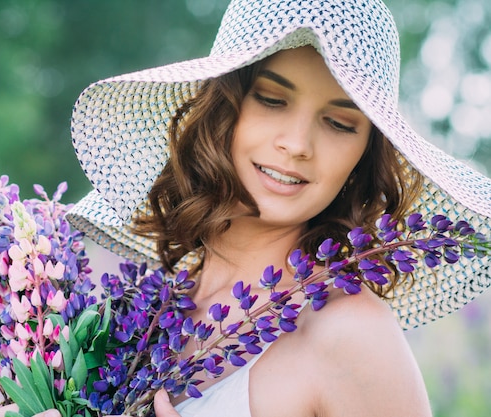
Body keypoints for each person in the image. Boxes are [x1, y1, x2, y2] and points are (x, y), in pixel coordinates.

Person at [65, 0, 491, 416]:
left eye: (340, 123)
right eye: (272, 99)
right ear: (220, 109)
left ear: (362, 156)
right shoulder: (144, 312)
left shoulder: (350, 332)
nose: (297, 144)